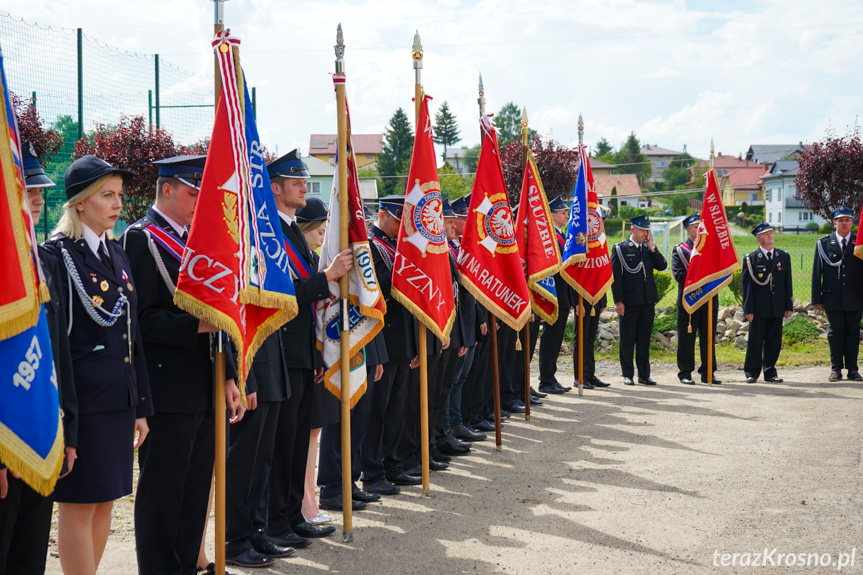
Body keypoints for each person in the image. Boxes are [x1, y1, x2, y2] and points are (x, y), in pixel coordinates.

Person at [122, 155, 245, 575]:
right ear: (167, 189)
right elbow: (142, 320)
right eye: (193, 192)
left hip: (206, 381)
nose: (199, 200)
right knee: (163, 492)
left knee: (195, 491)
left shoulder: (197, 240)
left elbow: (221, 315)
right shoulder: (142, 239)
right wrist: (195, 325)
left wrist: (228, 375)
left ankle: (185, 566)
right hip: (166, 387)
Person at [42, 155, 152, 574]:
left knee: (106, 499)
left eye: (119, 196)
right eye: (107, 195)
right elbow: (58, 345)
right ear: (80, 202)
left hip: (117, 400)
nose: (117, 203)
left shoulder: (116, 254)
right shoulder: (57, 256)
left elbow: (132, 334)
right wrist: (65, 419)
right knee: (79, 504)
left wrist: (139, 404)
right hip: (83, 402)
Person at [266, 150, 352, 545]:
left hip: (301, 354)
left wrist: (316, 354)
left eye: (305, 180)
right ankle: (271, 523)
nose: (304, 186)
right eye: (296, 181)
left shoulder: (292, 232)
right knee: (279, 447)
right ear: (275, 188)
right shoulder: (269, 233)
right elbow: (282, 295)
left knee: (297, 442)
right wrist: (329, 276)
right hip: (279, 354)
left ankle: (290, 518)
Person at [0, 142, 78, 575]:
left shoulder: (36, 258)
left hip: (40, 421)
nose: (38, 198)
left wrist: (67, 427)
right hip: (5, 435)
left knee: (29, 552)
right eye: (27, 189)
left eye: (39, 190)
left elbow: (57, 351)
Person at [363, 196, 418, 495]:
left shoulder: (398, 246)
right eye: (397, 220)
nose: (401, 227)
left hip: (404, 340)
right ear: (382, 215)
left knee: (398, 408)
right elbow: (382, 288)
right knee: (379, 411)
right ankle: (373, 470)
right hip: (384, 339)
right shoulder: (371, 247)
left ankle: (393, 464)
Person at [296, 198, 336, 525]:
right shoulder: (301, 259)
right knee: (304, 435)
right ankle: (304, 503)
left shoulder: (312, 258)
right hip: (301, 358)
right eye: (320, 229)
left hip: (315, 356)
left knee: (314, 432)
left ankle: (309, 500)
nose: (324, 234)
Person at [610, 215, 668, 386]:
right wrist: (618, 301)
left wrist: (652, 248)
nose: (645, 233)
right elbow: (616, 278)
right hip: (629, 302)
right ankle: (627, 373)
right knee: (627, 339)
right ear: (633, 229)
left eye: (647, 230)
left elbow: (662, 266)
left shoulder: (648, 249)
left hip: (647, 301)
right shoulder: (620, 249)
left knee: (644, 339)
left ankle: (644, 374)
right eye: (642, 230)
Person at [812, 207, 863, 382]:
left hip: (855, 297)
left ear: (852, 223)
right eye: (840, 220)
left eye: (847, 220)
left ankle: (853, 369)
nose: (844, 223)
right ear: (834, 223)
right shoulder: (824, 243)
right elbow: (816, 273)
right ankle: (836, 369)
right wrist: (816, 298)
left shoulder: (859, 243)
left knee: (853, 333)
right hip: (831, 297)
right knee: (835, 333)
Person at [671, 213, 720, 385]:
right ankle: (685, 372)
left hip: (709, 300)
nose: (700, 230)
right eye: (696, 226)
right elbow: (680, 275)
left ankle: (708, 372)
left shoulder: (711, 249)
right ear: (688, 229)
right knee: (686, 339)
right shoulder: (680, 250)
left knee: (708, 338)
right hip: (689, 301)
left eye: (702, 226)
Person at [742, 221, 793, 383]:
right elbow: (747, 287)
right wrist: (748, 309)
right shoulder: (750, 259)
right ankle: (752, 372)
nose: (770, 235)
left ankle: (770, 371)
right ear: (758, 238)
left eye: (771, 232)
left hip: (777, 307)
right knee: (755, 341)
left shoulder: (783, 256)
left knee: (774, 341)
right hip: (758, 308)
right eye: (765, 233)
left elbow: (787, 284)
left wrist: (788, 306)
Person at [538, 197, 576, 393]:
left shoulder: (561, 235)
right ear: (551, 215)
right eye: (562, 213)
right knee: (550, 339)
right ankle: (545, 379)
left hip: (563, 296)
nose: (566, 216)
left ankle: (550, 377)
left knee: (556, 340)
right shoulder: (550, 237)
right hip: (552, 295)